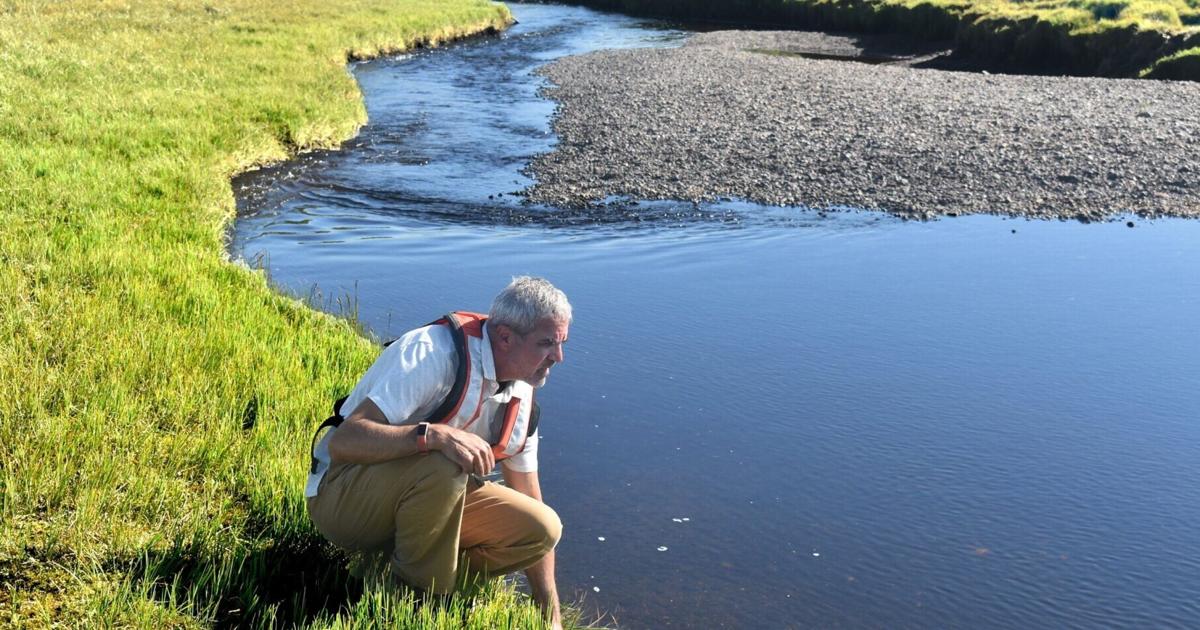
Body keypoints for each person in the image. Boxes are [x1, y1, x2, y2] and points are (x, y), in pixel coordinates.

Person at [306, 276, 571, 628]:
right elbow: (344, 442)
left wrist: (549, 613)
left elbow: (529, 495)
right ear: (505, 337)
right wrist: (432, 436)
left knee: (542, 527)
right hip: (341, 498)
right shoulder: (432, 352)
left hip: (422, 501)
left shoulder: (522, 394)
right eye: (547, 343)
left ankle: (392, 576)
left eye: (562, 342)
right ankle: (416, 603)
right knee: (444, 463)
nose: (559, 357)